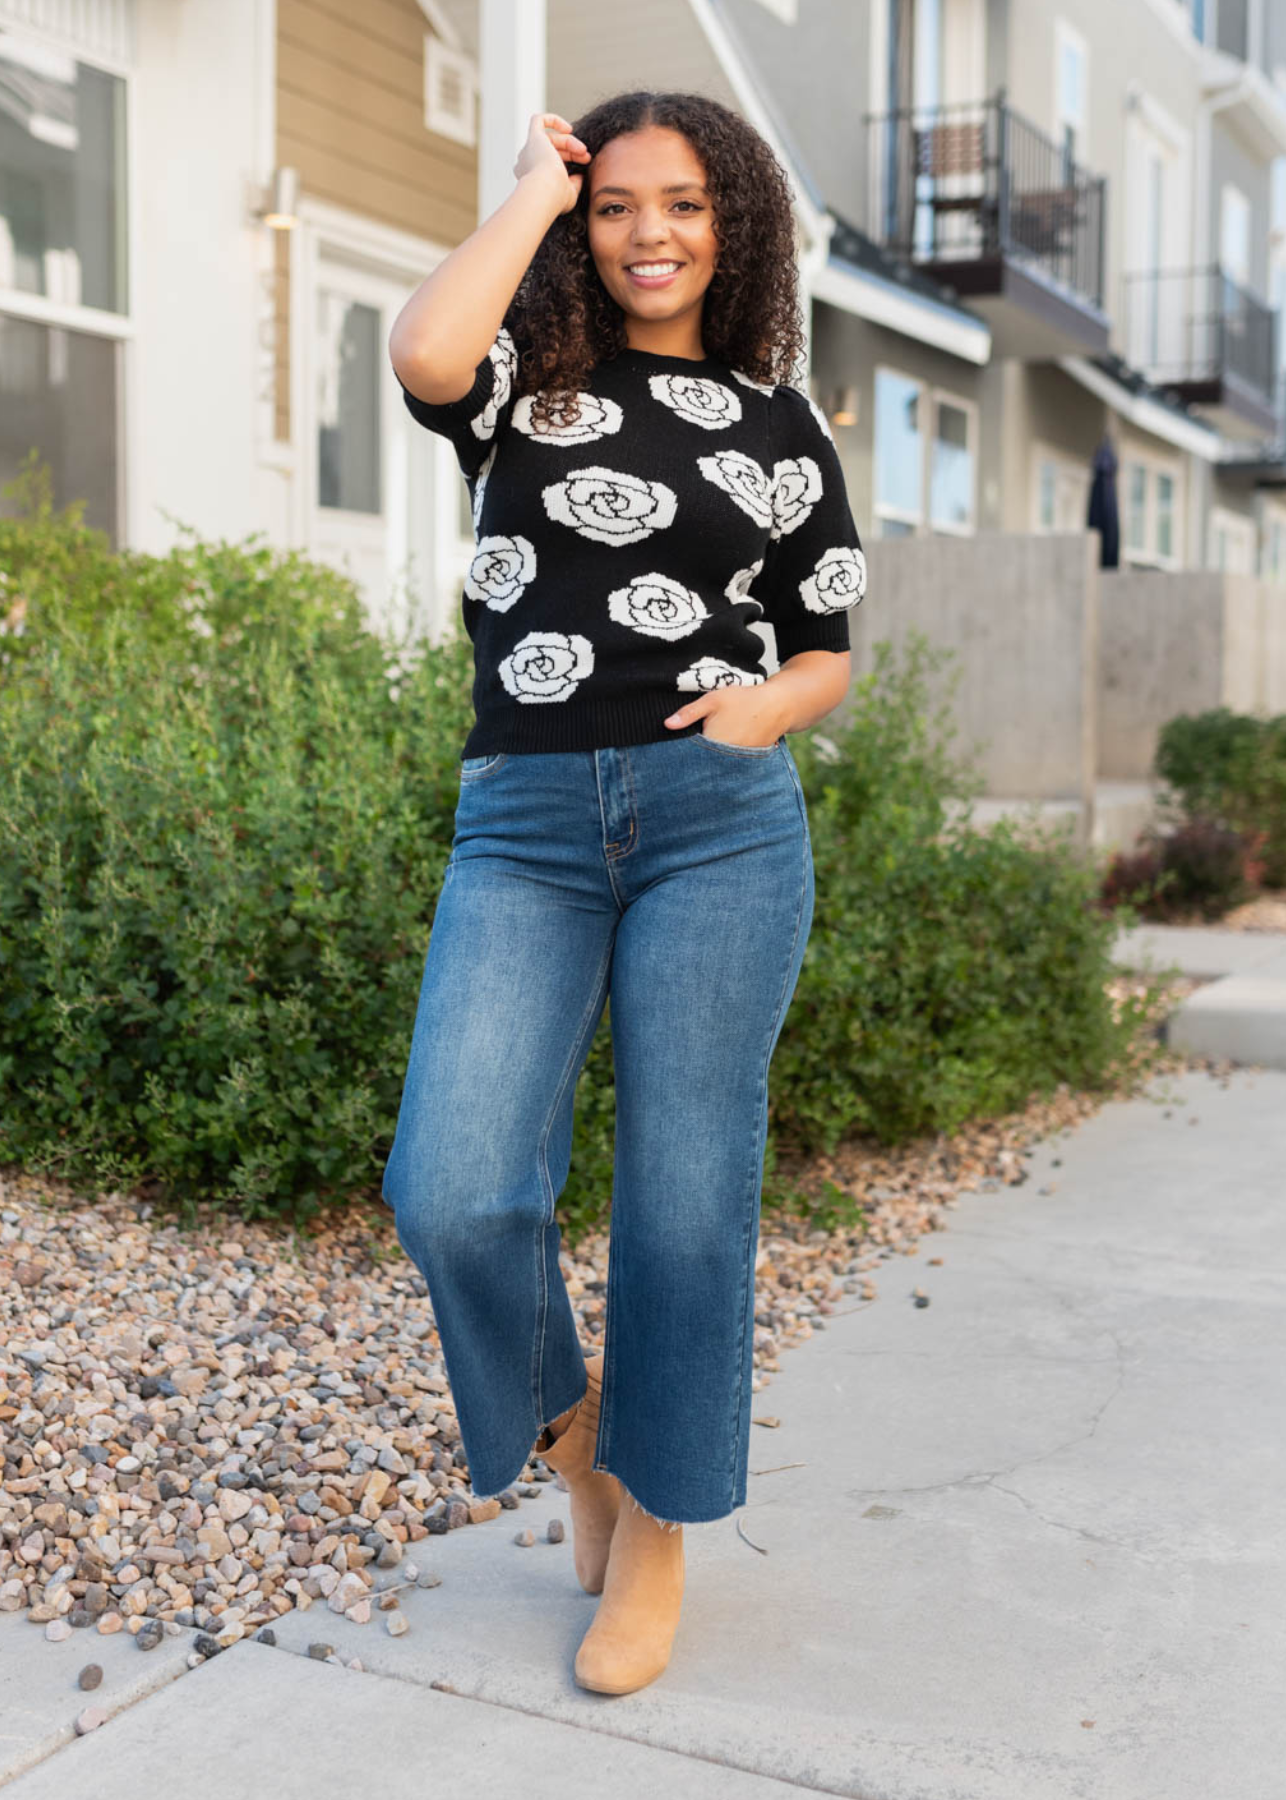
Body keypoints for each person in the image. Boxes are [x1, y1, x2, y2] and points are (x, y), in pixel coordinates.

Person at [381, 90, 867, 1697]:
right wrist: (530, 187)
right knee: (450, 1181)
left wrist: (760, 710)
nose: (650, 233)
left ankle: (651, 1526)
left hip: (718, 826)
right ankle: (579, 1427)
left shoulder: (779, 425)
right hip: (522, 823)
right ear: (583, 227)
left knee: (682, 1197)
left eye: (685, 205)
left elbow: (825, 652)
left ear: (734, 228)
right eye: (618, 205)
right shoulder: (527, 388)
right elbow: (424, 350)